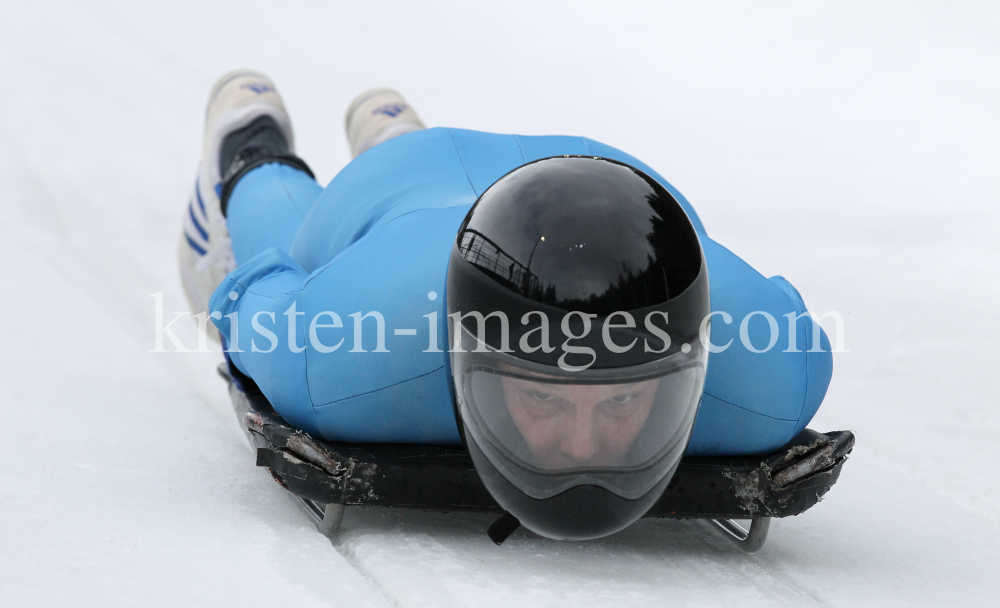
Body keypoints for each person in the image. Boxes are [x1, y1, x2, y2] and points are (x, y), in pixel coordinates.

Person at [179, 70, 833, 540]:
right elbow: (254, 294)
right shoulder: (347, 348)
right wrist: (232, 289)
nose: (583, 447)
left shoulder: (771, 370)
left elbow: (781, 320)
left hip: (615, 191)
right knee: (281, 228)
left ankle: (393, 134)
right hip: (396, 197)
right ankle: (252, 144)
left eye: (624, 399)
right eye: (545, 397)